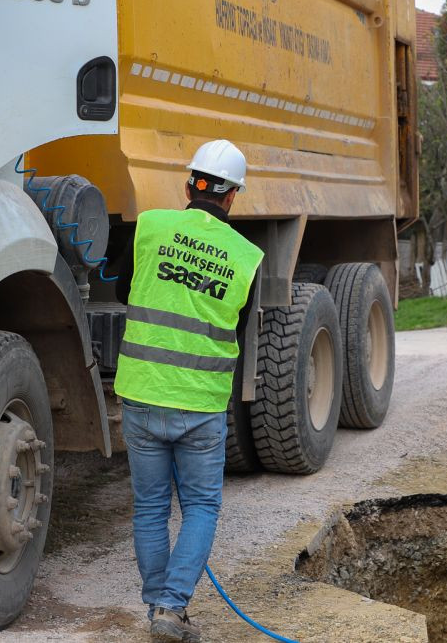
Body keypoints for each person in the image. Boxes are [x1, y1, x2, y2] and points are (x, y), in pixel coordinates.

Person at [113, 139, 264, 642]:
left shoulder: (151, 228)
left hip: (140, 394)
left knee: (151, 508)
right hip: (200, 406)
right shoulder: (246, 258)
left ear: (188, 186)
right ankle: (172, 610)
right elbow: (240, 331)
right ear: (232, 197)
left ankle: (157, 605)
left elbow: (123, 291)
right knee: (201, 508)